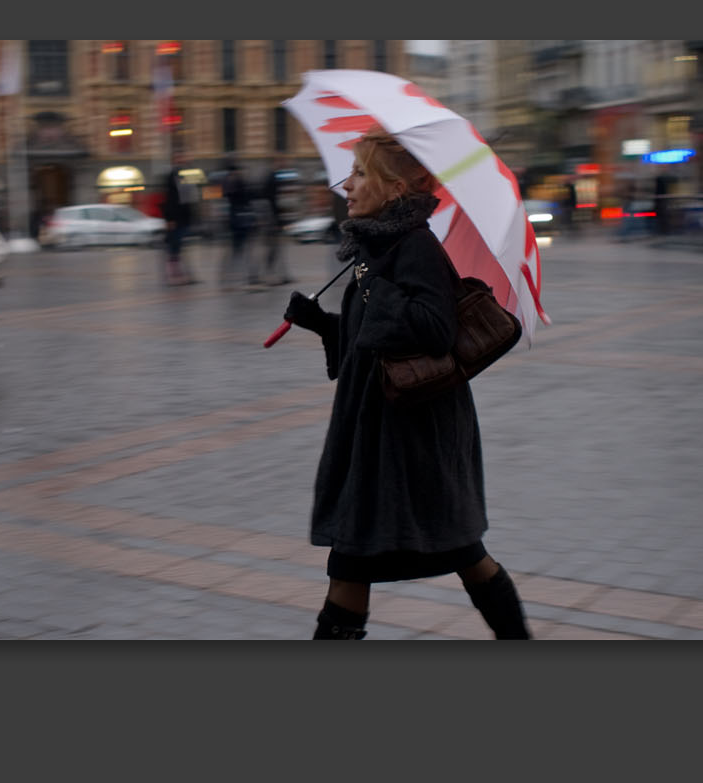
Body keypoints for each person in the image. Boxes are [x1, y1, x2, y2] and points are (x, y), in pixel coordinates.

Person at [281, 131, 532, 640]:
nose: (345, 185)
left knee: (442, 553)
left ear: (394, 189)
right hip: (379, 431)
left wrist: (374, 285)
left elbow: (432, 327)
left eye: (359, 174)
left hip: (412, 437)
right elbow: (372, 339)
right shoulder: (379, 244)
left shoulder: (414, 246)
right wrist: (323, 323)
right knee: (409, 555)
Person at [219, 158, 258, 289]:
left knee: (240, 252)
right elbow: (245, 199)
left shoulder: (232, 183)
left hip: (239, 220)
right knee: (238, 252)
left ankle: (236, 278)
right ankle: (234, 278)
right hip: (238, 221)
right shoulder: (234, 184)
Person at [160, 150, 197, 286]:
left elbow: (190, 195)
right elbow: (169, 199)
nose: (183, 160)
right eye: (181, 158)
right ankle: (173, 276)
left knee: (180, 247)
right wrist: (169, 219)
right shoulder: (171, 176)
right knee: (174, 248)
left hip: (183, 217)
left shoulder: (185, 174)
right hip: (175, 218)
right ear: (175, 160)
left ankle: (183, 275)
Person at [256, 167, 293, 285]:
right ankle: (268, 275)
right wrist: (275, 225)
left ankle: (280, 275)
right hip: (271, 228)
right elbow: (270, 214)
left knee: (274, 252)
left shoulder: (266, 199)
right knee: (272, 252)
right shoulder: (269, 201)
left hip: (271, 227)